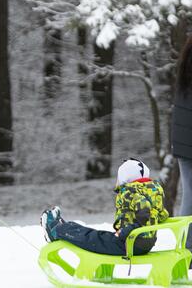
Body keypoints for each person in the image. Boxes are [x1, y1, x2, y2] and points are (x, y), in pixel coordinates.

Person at [41, 158, 169, 256]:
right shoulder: (152, 192)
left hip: (129, 243)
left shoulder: (130, 192)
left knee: (92, 238)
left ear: (126, 177)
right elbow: (162, 215)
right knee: (100, 236)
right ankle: (65, 226)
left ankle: (56, 230)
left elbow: (144, 214)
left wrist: (127, 231)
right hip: (147, 243)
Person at [172, 36, 192, 216]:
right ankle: (188, 242)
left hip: (183, 141)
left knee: (189, 194)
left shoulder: (186, 63)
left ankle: (186, 241)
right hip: (188, 141)